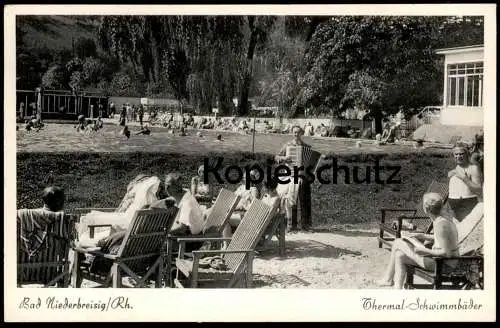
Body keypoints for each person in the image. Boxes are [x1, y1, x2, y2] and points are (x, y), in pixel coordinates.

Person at [377, 193, 458, 289]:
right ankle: (396, 289)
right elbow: (442, 239)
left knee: (398, 242)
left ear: (426, 210)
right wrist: (422, 236)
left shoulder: (441, 226)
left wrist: (425, 251)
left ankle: (388, 279)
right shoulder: (442, 221)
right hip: (441, 261)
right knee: (399, 255)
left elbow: (446, 253)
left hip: (443, 264)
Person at [275, 125, 313, 232]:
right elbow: (276, 157)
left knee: (305, 200)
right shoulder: (287, 145)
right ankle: (293, 225)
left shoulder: (306, 146)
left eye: (298, 132)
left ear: (301, 133)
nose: (296, 134)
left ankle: (306, 225)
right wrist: (284, 159)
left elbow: (311, 163)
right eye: (294, 132)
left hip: (302, 176)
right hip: (291, 174)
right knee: (293, 200)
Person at [448, 143, 483, 222]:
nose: (458, 156)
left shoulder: (473, 168)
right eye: (456, 154)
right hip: (452, 203)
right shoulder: (456, 168)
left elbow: (479, 190)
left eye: (461, 154)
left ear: (467, 154)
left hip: (466, 203)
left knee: (465, 229)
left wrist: (464, 178)